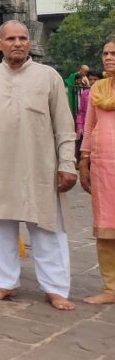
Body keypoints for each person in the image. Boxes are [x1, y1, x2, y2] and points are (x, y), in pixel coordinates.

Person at [0, 21, 77, 311]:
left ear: (30, 43)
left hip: (39, 166)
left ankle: (55, 288)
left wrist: (67, 164)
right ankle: (4, 282)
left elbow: (65, 126)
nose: (18, 43)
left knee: (48, 228)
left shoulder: (48, 76)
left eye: (23, 38)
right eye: (11, 38)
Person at [80, 37, 115, 304]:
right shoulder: (97, 89)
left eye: (114, 53)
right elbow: (90, 128)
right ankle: (111, 288)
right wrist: (84, 161)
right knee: (105, 226)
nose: (108, 58)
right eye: (105, 53)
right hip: (103, 168)